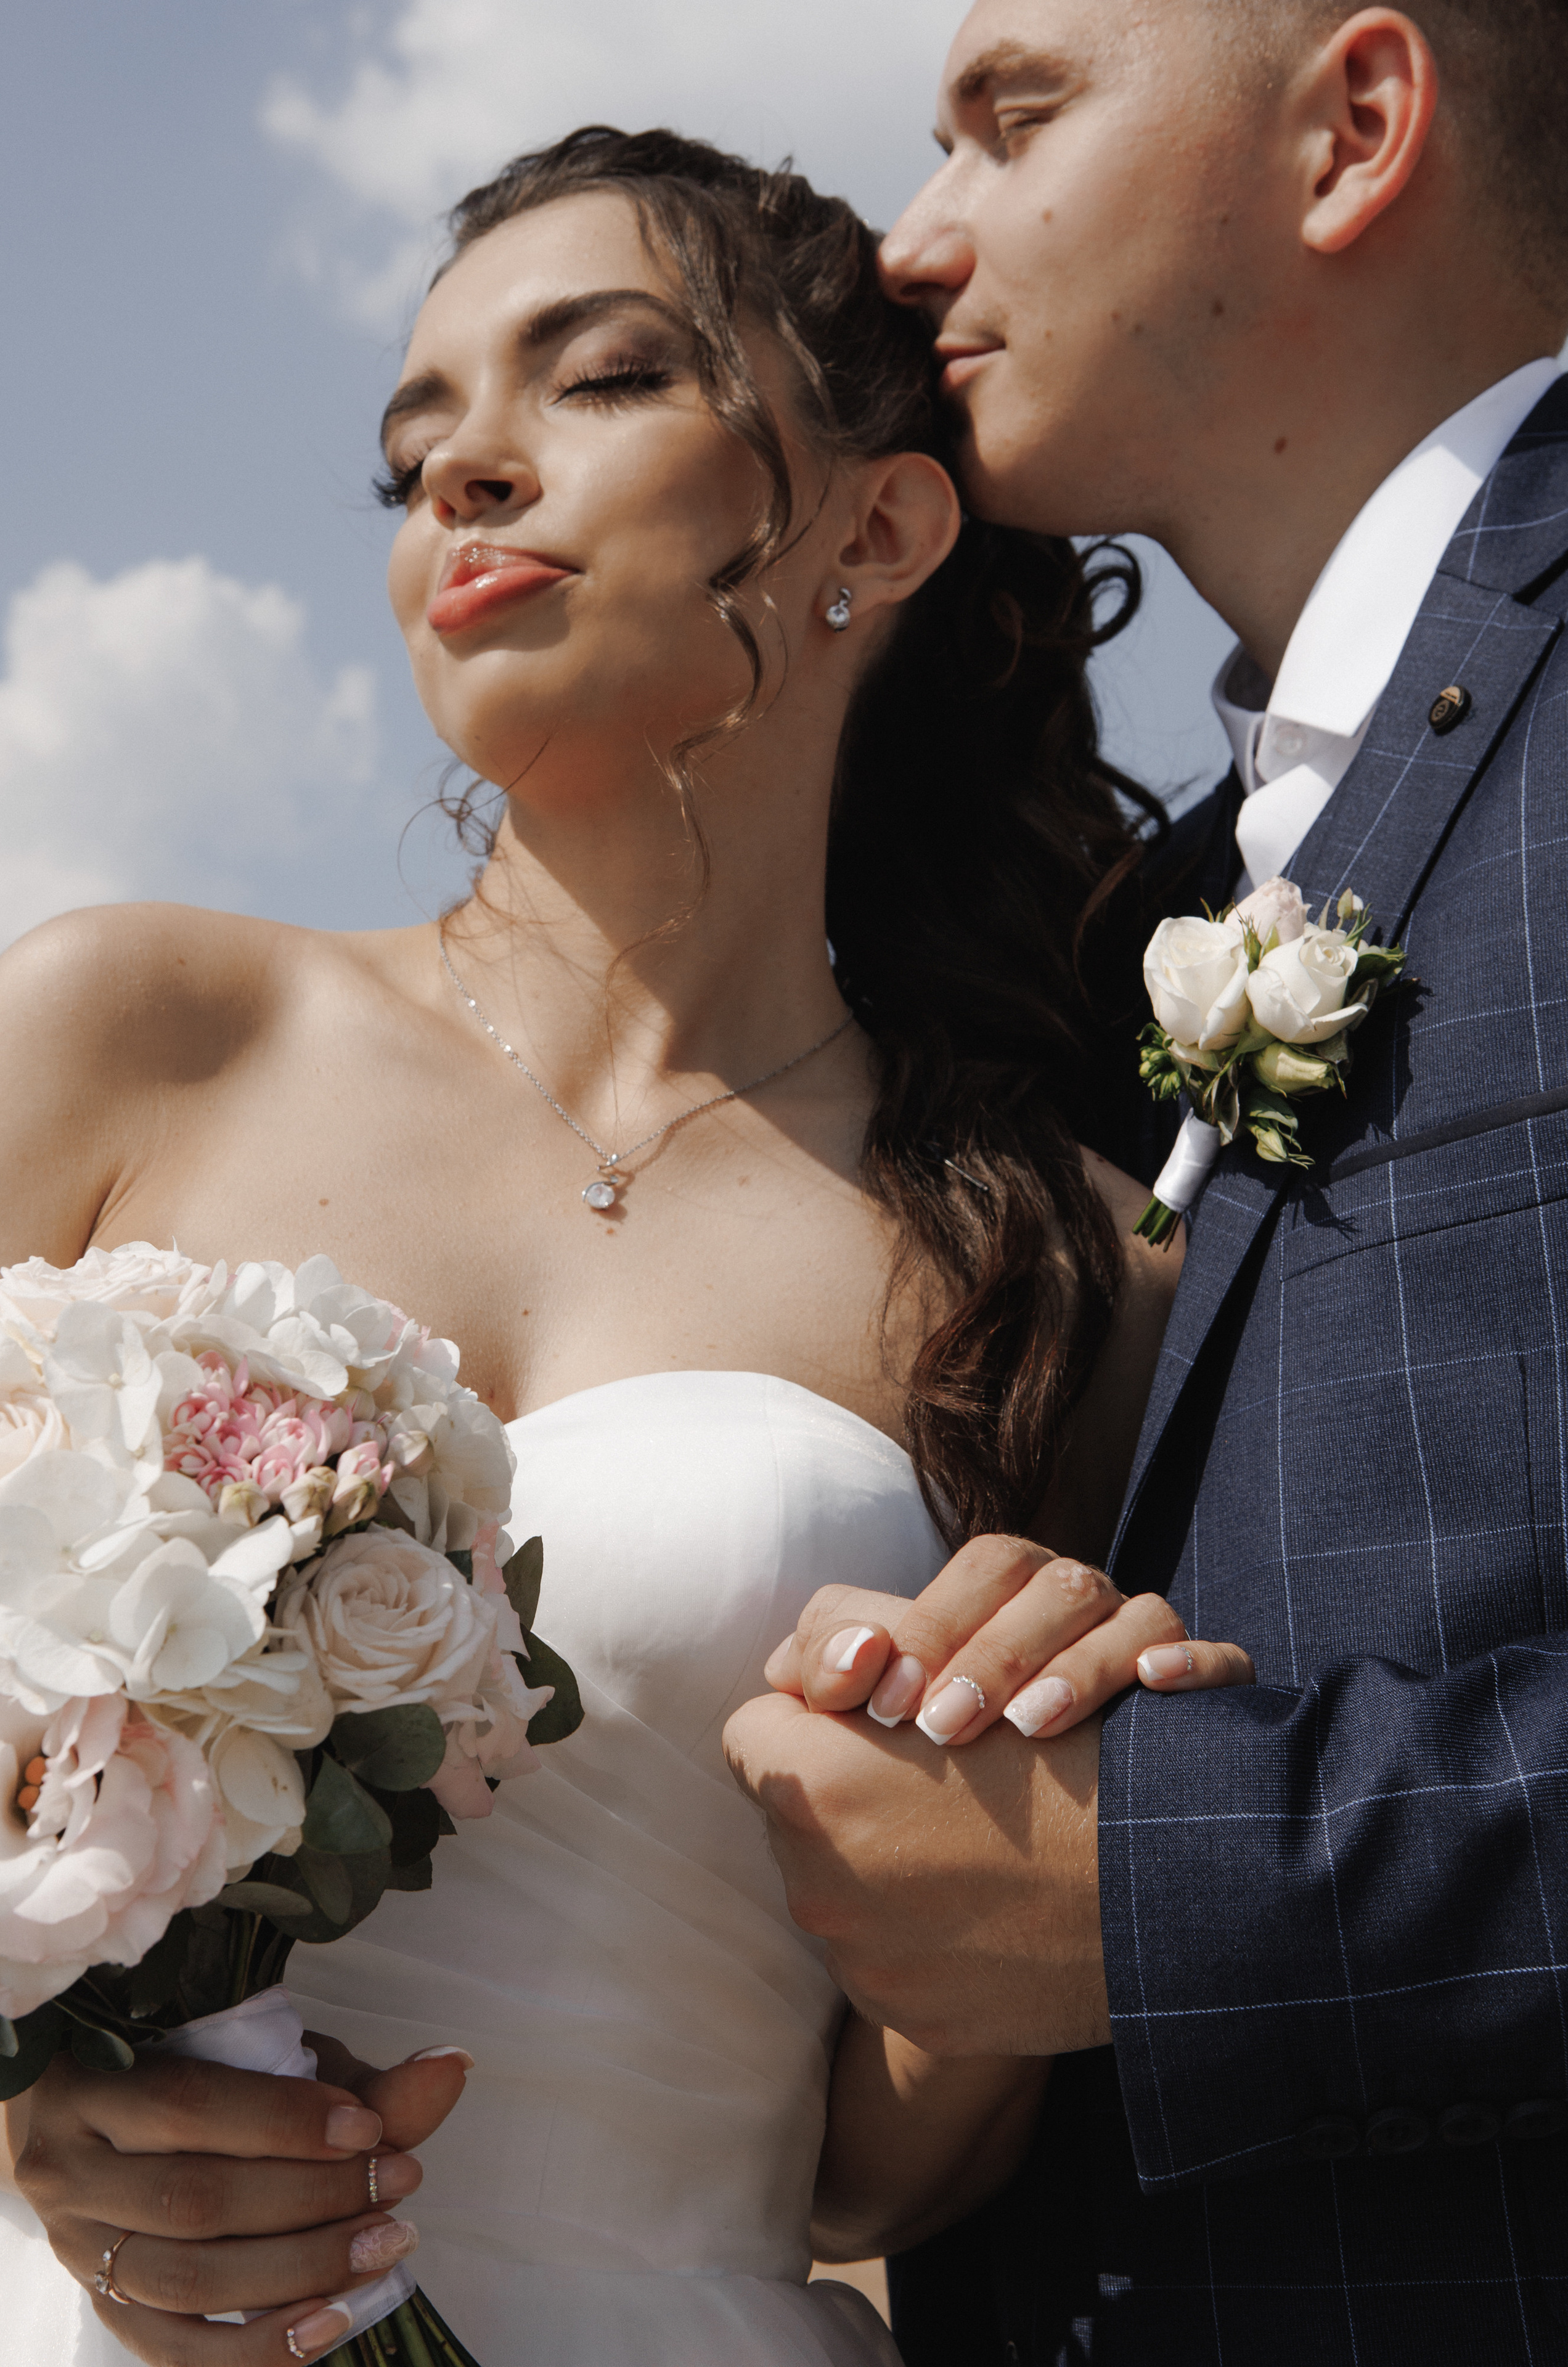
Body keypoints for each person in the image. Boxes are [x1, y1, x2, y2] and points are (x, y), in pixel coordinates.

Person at [0, 130, 1254, 2367]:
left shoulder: (1065, 1270)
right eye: (412, 448)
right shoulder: (124, 1033)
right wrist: (31, 2122)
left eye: (598, 378)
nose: (465, 470)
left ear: (877, 524)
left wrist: (1038, 1809)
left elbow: (877, 2166)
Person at [722, 2, 1568, 2360]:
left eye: (1013, 118)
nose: (916, 242)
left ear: (1357, 128)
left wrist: (1172, 1892)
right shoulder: (1120, 923)